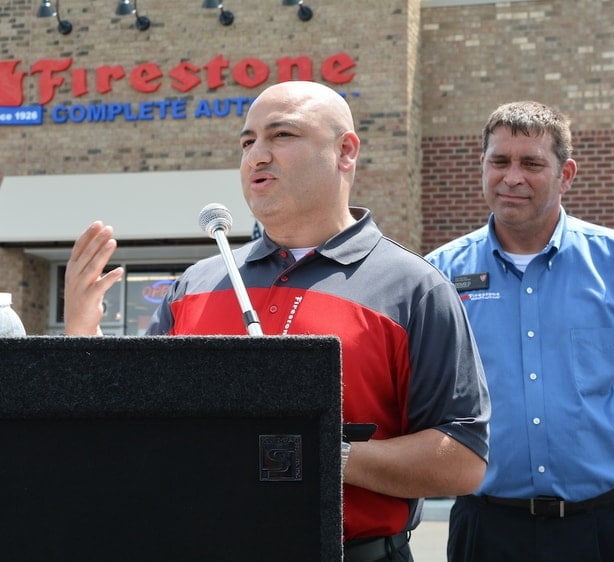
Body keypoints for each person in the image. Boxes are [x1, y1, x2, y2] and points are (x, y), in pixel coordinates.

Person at [64, 80, 490, 561]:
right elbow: (134, 423)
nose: (256, 156)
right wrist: (84, 340)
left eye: (281, 136)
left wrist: (317, 451)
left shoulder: (414, 287)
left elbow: (462, 458)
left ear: (345, 151)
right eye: (247, 142)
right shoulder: (198, 282)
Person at [426, 100, 614, 562]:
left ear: (566, 175)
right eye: (499, 161)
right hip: (486, 527)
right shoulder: (438, 275)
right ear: (482, 166)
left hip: (607, 528)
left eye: (532, 163)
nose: (513, 177)